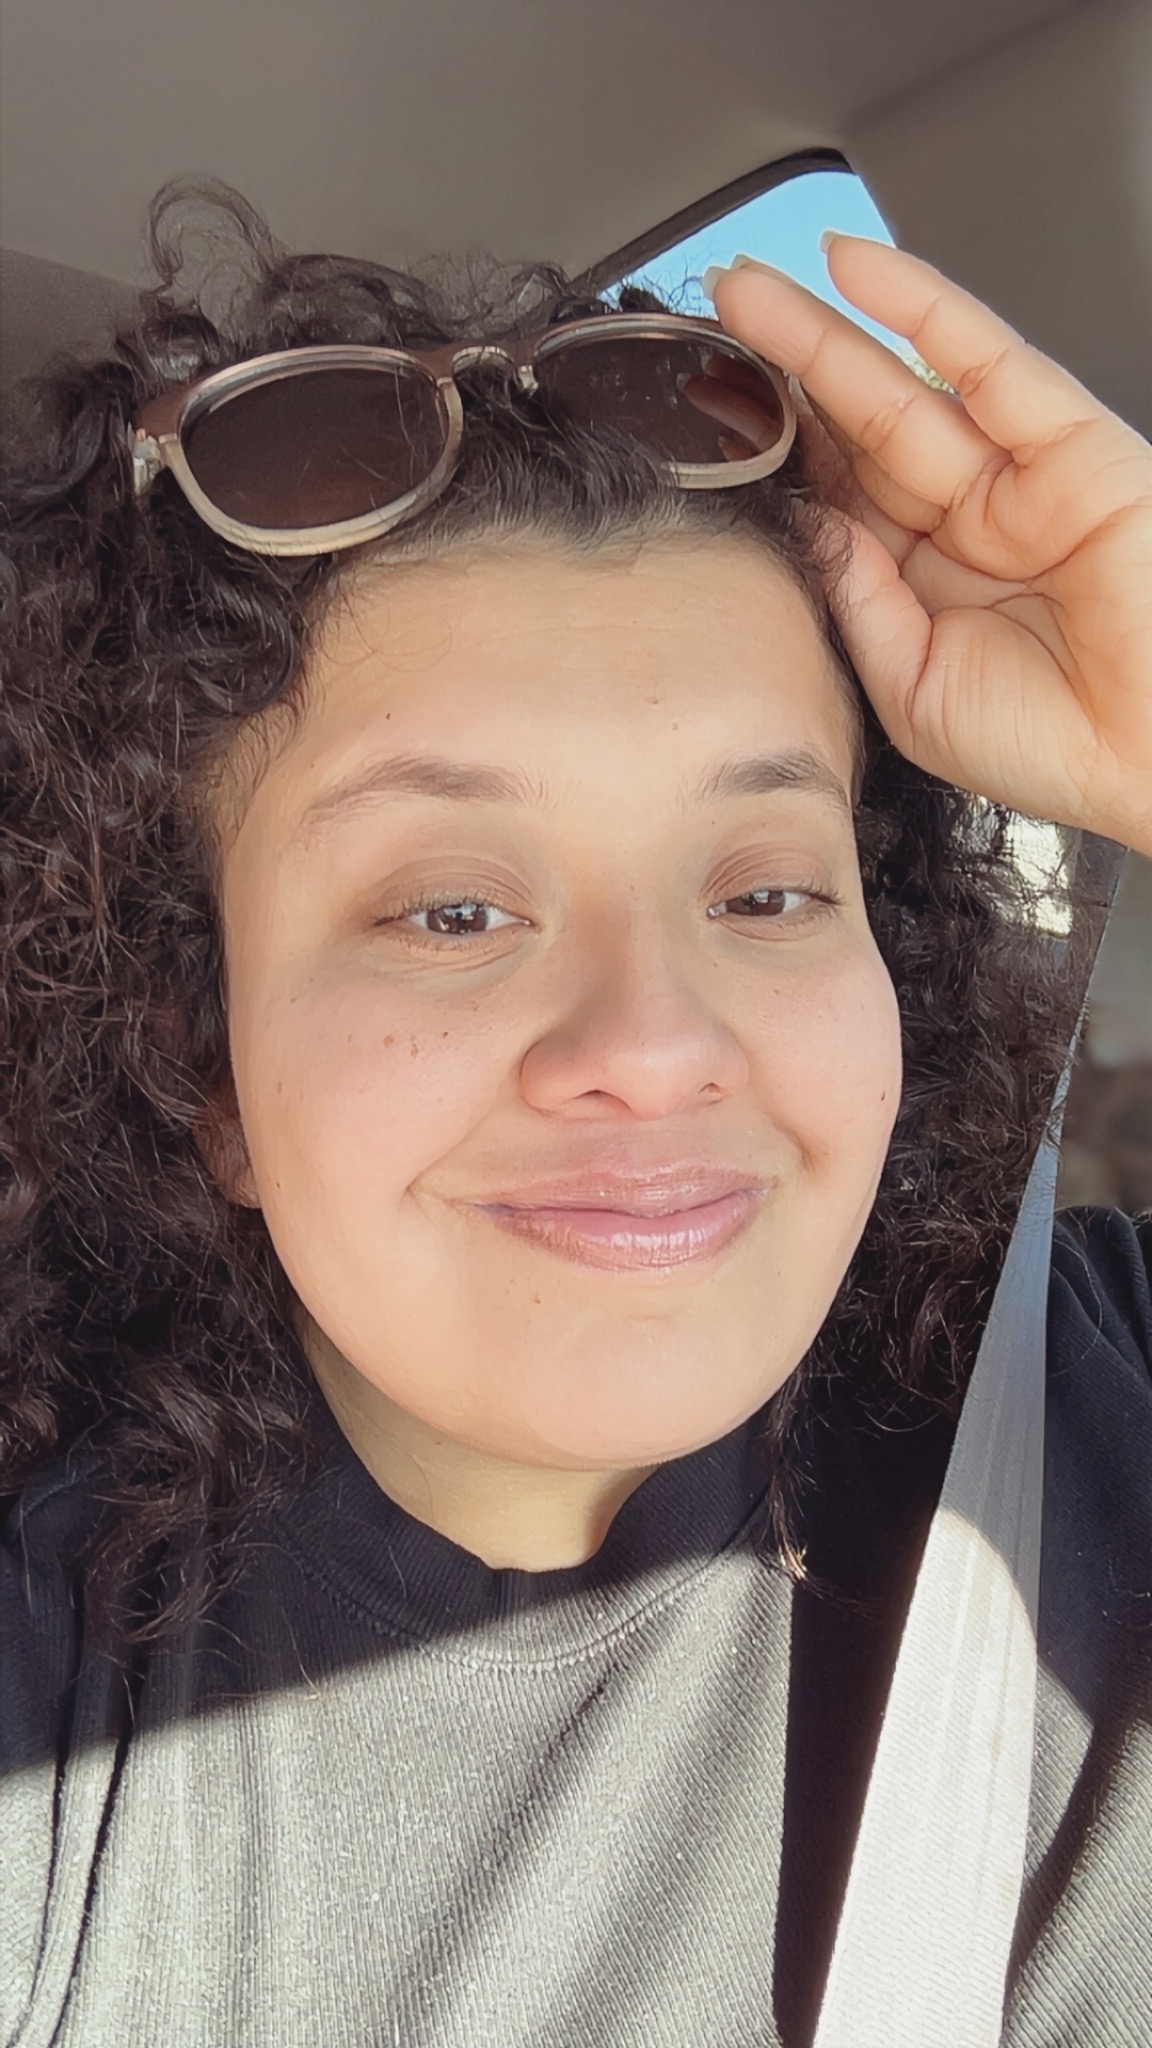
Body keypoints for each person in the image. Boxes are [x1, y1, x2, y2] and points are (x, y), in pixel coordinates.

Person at [1, 180, 1149, 2047]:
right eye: (452, 912)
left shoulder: (1107, 1405)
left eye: (765, 891)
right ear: (202, 1068)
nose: (656, 1042)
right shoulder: (57, 1702)